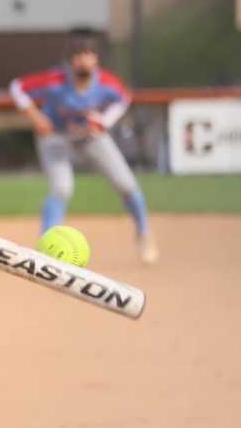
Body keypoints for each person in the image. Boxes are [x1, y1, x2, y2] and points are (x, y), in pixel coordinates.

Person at [9, 31, 158, 264]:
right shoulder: (56, 80)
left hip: (91, 137)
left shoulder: (105, 82)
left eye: (88, 55)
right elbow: (17, 87)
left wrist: (104, 121)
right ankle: (45, 246)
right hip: (56, 137)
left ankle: (144, 234)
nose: (83, 60)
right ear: (70, 61)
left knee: (126, 184)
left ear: (96, 59)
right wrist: (36, 117)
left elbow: (124, 97)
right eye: (78, 56)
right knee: (61, 188)